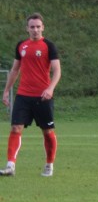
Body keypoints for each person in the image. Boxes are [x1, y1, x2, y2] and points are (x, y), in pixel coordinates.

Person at [1, 13, 61, 177]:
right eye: (32, 27)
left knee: (47, 131)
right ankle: (10, 166)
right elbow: (15, 70)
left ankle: (49, 164)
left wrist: (50, 89)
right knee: (15, 128)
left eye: (38, 26)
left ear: (43, 28)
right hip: (23, 96)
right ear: (27, 28)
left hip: (43, 96)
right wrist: (6, 91)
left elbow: (57, 70)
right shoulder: (21, 46)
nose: (35, 30)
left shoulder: (49, 46)